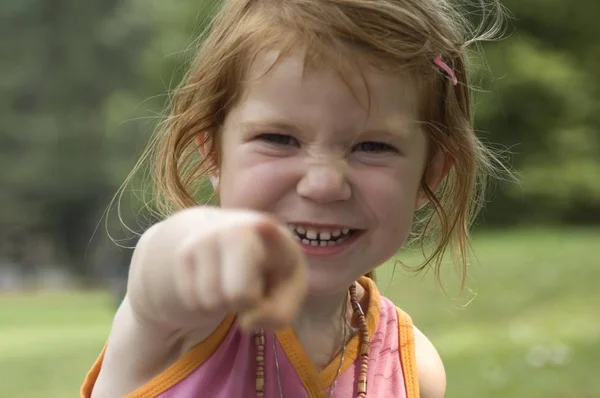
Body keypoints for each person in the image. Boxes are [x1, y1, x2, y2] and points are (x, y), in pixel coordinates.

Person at [82, 0, 505, 397]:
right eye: (279, 139)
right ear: (213, 153)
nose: (323, 184)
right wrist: (192, 245)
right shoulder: (181, 324)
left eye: (373, 147)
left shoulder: (414, 368)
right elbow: (161, 269)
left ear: (430, 172)